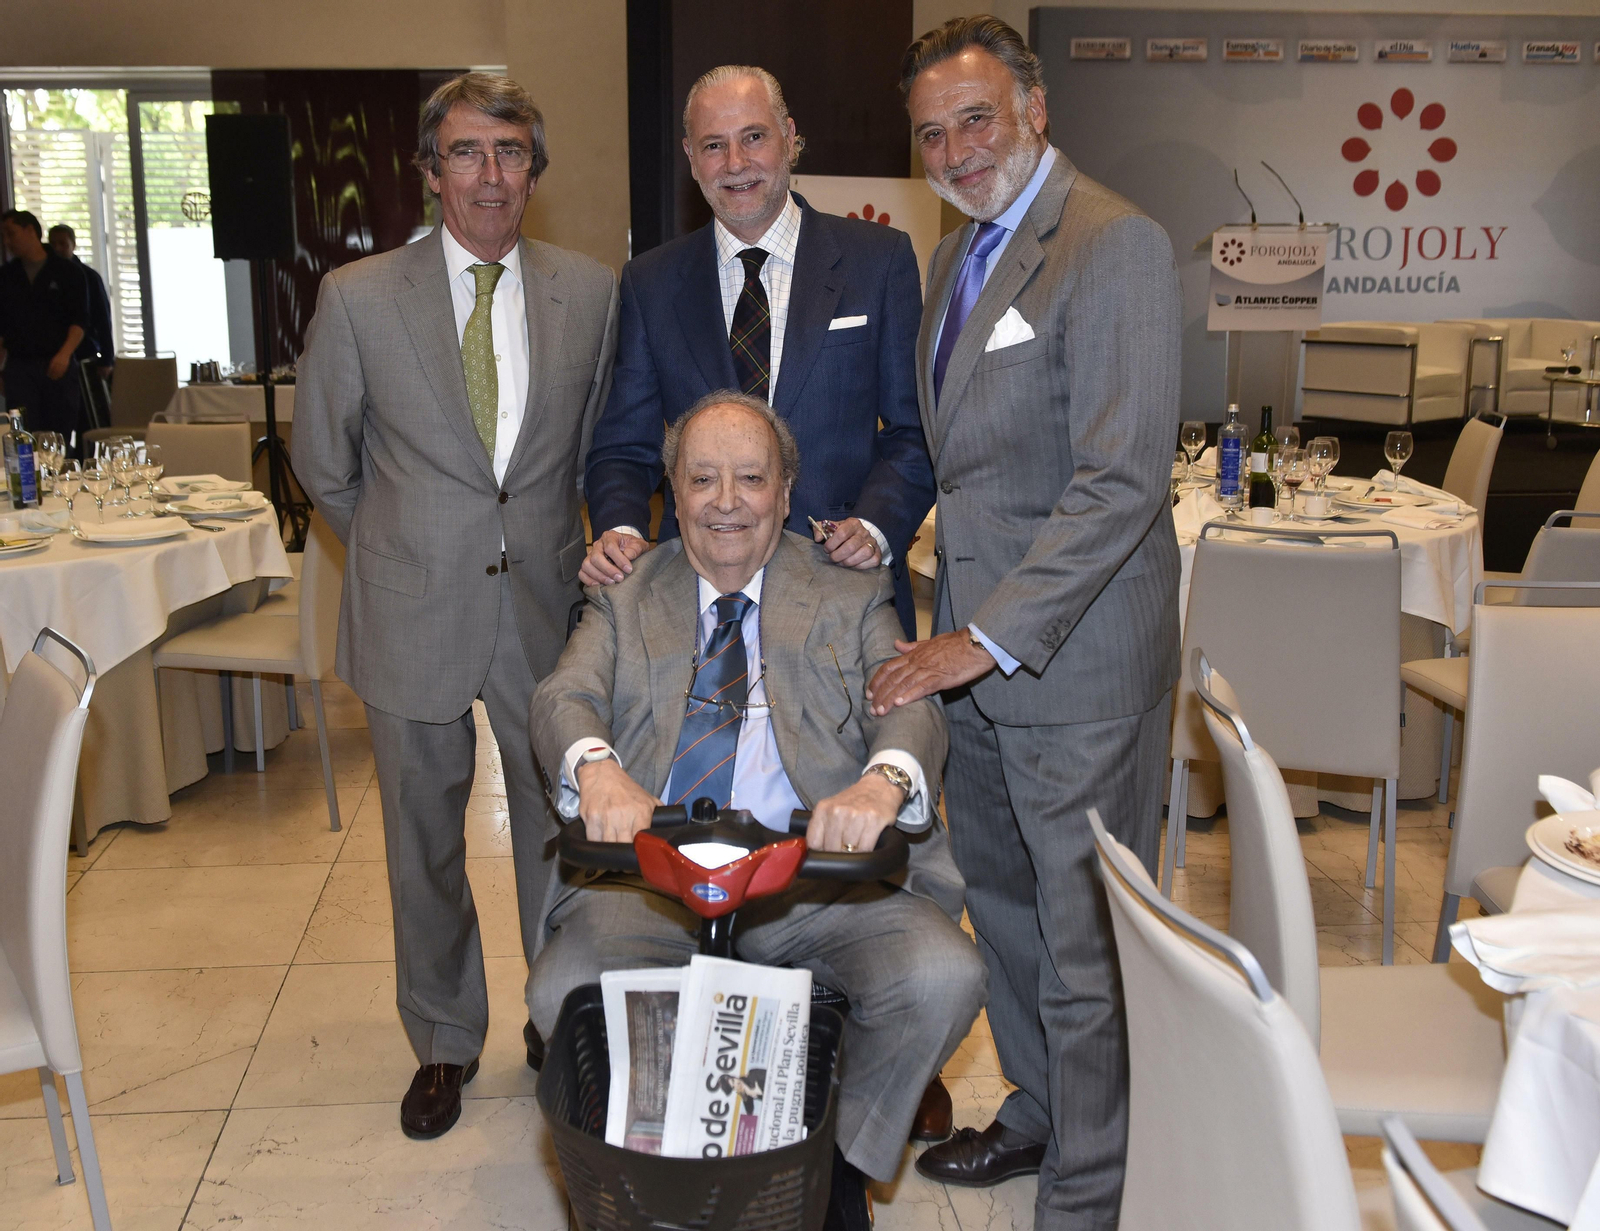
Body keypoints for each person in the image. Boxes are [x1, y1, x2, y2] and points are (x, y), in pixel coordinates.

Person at [530, 391, 985, 1231]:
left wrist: (880, 783)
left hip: (810, 880)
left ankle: (836, 1161)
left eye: (751, 478)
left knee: (941, 973)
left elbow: (910, 703)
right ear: (672, 488)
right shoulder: (629, 592)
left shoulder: (847, 591)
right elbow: (565, 693)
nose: (727, 500)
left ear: (787, 490)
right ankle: (641, 1172)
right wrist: (597, 768)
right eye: (702, 478)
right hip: (653, 881)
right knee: (565, 984)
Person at [869, 17, 1182, 1228]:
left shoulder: (1114, 245)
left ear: (1036, 109)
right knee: (1004, 913)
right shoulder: (956, 256)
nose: (953, 148)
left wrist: (980, 637)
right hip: (984, 674)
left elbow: (1119, 485)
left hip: (1077, 667)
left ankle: (1091, 1191)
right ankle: (1039, 1115)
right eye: (932, 131)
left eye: (976, 118)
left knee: (1086, 947)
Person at [292, 72, 620, 1141]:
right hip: (410, 610)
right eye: (469, 153)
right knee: (422, 841)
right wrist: (407, 544)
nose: (491, 175)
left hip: (543, 607)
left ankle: (552, 1015)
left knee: (555, 829)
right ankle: (441, 1038)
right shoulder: (358, 296)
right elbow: (322, 464)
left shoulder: (589, 290)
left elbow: (591, 451)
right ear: (429, 172)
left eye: (512, 152)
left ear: (535, 169)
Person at [581, 64, 935, 640]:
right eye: (714, 145)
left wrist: (875, 525)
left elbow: (915, 430)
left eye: (754, 137)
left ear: (790, 138)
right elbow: (623, 446)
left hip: (842, 586)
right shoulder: (650, 282)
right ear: (691, 159)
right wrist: (620, 528)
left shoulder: (880, 261)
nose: (736, 163)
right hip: (692, 593)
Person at [0, 209, 89, 445]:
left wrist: (64, 354)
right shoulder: (6, 276)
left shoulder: (68, 271)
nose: (7, 242)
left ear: (31, 231)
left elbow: (79, 321)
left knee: (57, 436)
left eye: (11, 234)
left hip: (57, 362)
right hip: (19, 367)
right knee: (23, 436)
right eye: (4, 236)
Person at [48, 225, 116, 380]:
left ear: (73, 244)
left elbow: (103, 319)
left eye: (63, 244)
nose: (57, 249)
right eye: (53, 244)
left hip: (84, 352)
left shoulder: (89, 277)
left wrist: (107, 359)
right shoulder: (46, 277)